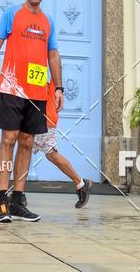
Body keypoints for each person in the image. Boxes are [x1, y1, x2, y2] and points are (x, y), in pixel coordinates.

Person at [0, 0, 63, 223]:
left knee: (27, 142)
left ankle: (18, 200)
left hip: (37, 90)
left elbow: (53, 55)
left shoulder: (48, 21)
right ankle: (2, 201)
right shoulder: (12, 14)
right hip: (11, 86)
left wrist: (58, 88)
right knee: (8, 139)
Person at [31, 78, 92, 208]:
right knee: (49, 154)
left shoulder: (49, 67)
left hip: (43, 118)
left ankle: (14, 195)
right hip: (40, 117)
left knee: (31, 152)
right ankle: (81, 184)